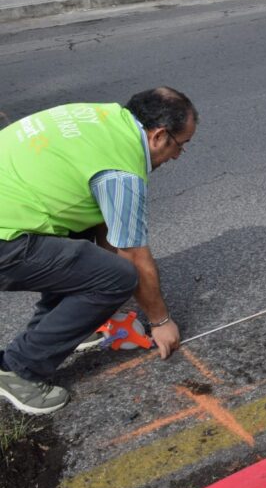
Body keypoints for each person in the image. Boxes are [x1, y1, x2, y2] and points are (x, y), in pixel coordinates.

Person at [0, 87, 198, 414]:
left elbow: (109, 230)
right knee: (118, 277)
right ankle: (19, 369)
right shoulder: (121, 172)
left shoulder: (102, 117)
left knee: (95, 256)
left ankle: (74, 324)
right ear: (159, 136)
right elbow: (132, 254)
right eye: (181, 145)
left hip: (14, 201)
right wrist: (160, 320)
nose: (177, 155)